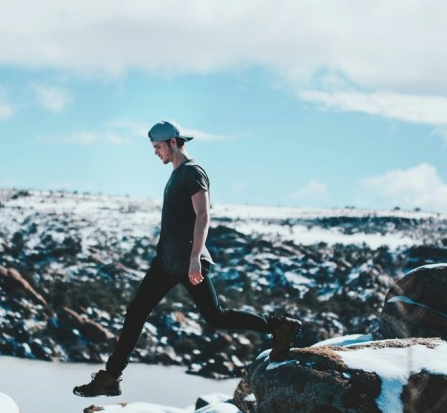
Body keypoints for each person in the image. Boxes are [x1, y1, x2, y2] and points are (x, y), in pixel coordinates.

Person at [74, 120, 302, 397]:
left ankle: (278, 325)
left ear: (173, 142)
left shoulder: (193, 172)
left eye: (158, 147)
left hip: (186, 260)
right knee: (136, 312)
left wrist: (195, 258)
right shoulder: (176, 174)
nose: (155, 153)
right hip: (166, 262)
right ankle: (111, 377)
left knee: (216, 317)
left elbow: (203, 216)